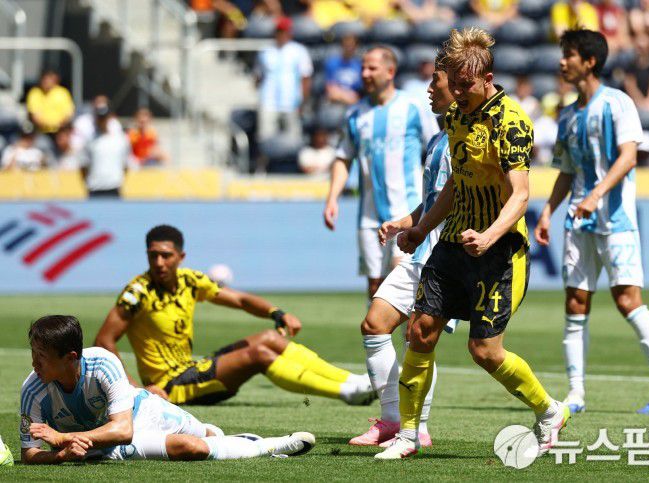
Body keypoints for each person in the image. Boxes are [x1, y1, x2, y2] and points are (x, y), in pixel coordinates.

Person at [375, 27, 568, 460]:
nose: (458, 93)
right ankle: (408, 434)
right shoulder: (456, 118)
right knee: (420, 331)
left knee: (484, 351)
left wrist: (488, 235)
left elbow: (520, 195)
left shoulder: (511, 121)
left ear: (487, 79)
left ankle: (549, 410)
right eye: (454, 85)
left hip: (499, 252)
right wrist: (422, 227)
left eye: (465, 86)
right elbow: (456, 184)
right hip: (452, 242)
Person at [534, 29, 649, 415]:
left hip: (615, 220)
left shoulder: (617, 103)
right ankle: (576, 393)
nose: (562, 62)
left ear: (590, 61)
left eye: (569, 55)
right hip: (578, 222)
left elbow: (628, 156)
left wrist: (596, 195)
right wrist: (548, 210)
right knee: (575, 301)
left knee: (627, 300)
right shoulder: (567, 115)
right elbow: (566, 171)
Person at [94, 225, 375, 406]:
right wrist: (136, 392)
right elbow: (104, 340)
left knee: (270, 338)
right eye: (153, 255)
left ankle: (352, 381)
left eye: (166, 256)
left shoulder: (190, 281)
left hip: (191, 369)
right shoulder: (137, 293)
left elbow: (239, 299)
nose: (159, 263)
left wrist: (277, 313)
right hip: (170, 386)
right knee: (259, 355)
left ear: (181, 256)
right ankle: (346, 393)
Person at [20, 315, 315, 464]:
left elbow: (123, 428)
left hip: (141, 412)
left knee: (207, 435)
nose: (34, 362)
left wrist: (63, 438)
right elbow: (29, 453)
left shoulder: (103, 363)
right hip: (103, 447)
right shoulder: (33, 390)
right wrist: (60, 456)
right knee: (192, 448)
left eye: (41, 356)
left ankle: (230, 439)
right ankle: (269, 446)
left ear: (70, 357)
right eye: (33, 352)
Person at [348, 46, 457, 449]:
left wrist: (421, 229)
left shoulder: (467, 140)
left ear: (457, 86)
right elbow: (433, 199)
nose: (428, 89)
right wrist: (404, 222)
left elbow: (459, 200)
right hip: (421, 248)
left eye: (435, 81)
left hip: (446, 254)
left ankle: (418, 427)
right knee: (374, 324)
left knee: (418, 336)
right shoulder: (440, 138)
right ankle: (393, 420)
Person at [324, 46, 439, 301]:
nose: (365, 73)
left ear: (390, 71)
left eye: (371, 68)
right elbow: (343, 157)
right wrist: (332, 198)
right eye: (363, 68)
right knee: (375, 287)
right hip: (368, 216)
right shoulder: (355, 114)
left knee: (402, 282)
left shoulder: (413, 106)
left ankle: (422, 331)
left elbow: (437, 147)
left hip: (405, 211)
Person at [254, 16, 313, 145]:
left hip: (291, 101)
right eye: (279, 31)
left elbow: (305, 78)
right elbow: (258, 76)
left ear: (290, 33)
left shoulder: (299, 51)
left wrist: (303, 101)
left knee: (293, 140)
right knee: (265, 139)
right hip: (268, 101)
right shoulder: (265, 51)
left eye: (284, 31)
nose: (282, 34)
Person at [81, 105, 131, 198]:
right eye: (100, 118)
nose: (102, 121)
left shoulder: (120, 139)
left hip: (113, 188)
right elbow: (84, 166)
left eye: (104, 118)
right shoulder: (89, 140)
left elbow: (126, 165)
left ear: (109, 118)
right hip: (94, 188)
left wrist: (117, 180)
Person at [26, 69, 75, 136]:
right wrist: (52, 125)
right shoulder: (35, 93)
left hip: (60, 132)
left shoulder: (63, 93)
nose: (46, 82)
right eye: (45, 79)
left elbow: (68, 114)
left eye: (49, 79)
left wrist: (57, 126)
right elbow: (35, 117)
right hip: (41, 132)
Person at [324, 34, 363, 106]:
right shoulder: (332, 63)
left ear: (356, 46)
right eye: (346, 45)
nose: (349, 48)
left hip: (356, 102)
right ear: (342, 46)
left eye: (351, 45)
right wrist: (345, 96)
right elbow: (330, 89)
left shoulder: (360, 65)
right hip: (335, 103)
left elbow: (361, 91)